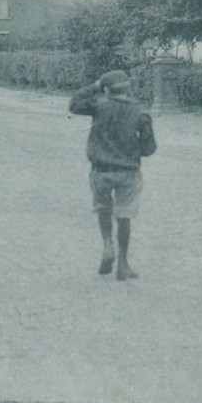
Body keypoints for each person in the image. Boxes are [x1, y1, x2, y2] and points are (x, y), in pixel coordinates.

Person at [69, 69, 156, 281]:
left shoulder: (98, 106)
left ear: (106, 89)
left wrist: (96, 86)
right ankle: (123, 263)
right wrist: (134, 150)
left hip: (101, 171)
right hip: (128, 171)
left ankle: (107, 244)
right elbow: (149, 148)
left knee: (103, 210)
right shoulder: (139, 112)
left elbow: (74, 104)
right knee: (124, 215)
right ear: (128, 89)